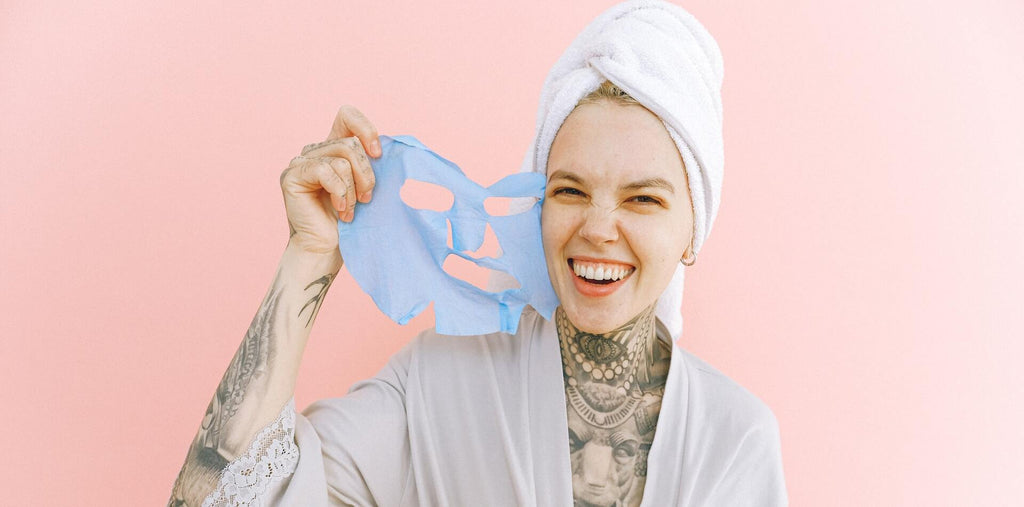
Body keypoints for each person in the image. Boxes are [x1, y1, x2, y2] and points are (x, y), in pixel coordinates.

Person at [168, 1, 787, 506]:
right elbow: (217, 498)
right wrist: (307, 256)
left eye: (643, 200)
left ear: (692, 232)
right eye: (569, 190)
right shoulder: (437, 383)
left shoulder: (735, 441)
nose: (599, 228)